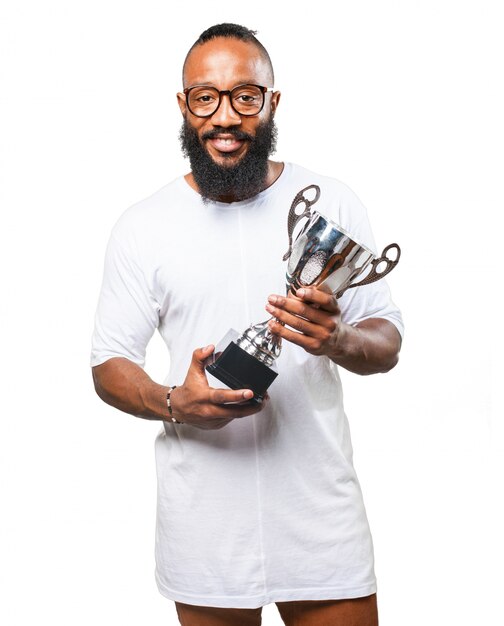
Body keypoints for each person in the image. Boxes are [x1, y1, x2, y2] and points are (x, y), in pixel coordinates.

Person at [91, 23, 403, 626]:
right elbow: (108, 363)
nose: (225, 117)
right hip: (204, 520)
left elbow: (386, 340)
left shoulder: (330, 201)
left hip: (319, 513)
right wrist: (173, 401)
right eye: (205, 97)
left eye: (245, 96)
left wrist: (338, 339)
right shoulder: (144, 225)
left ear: (272, 103)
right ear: (184, 107)